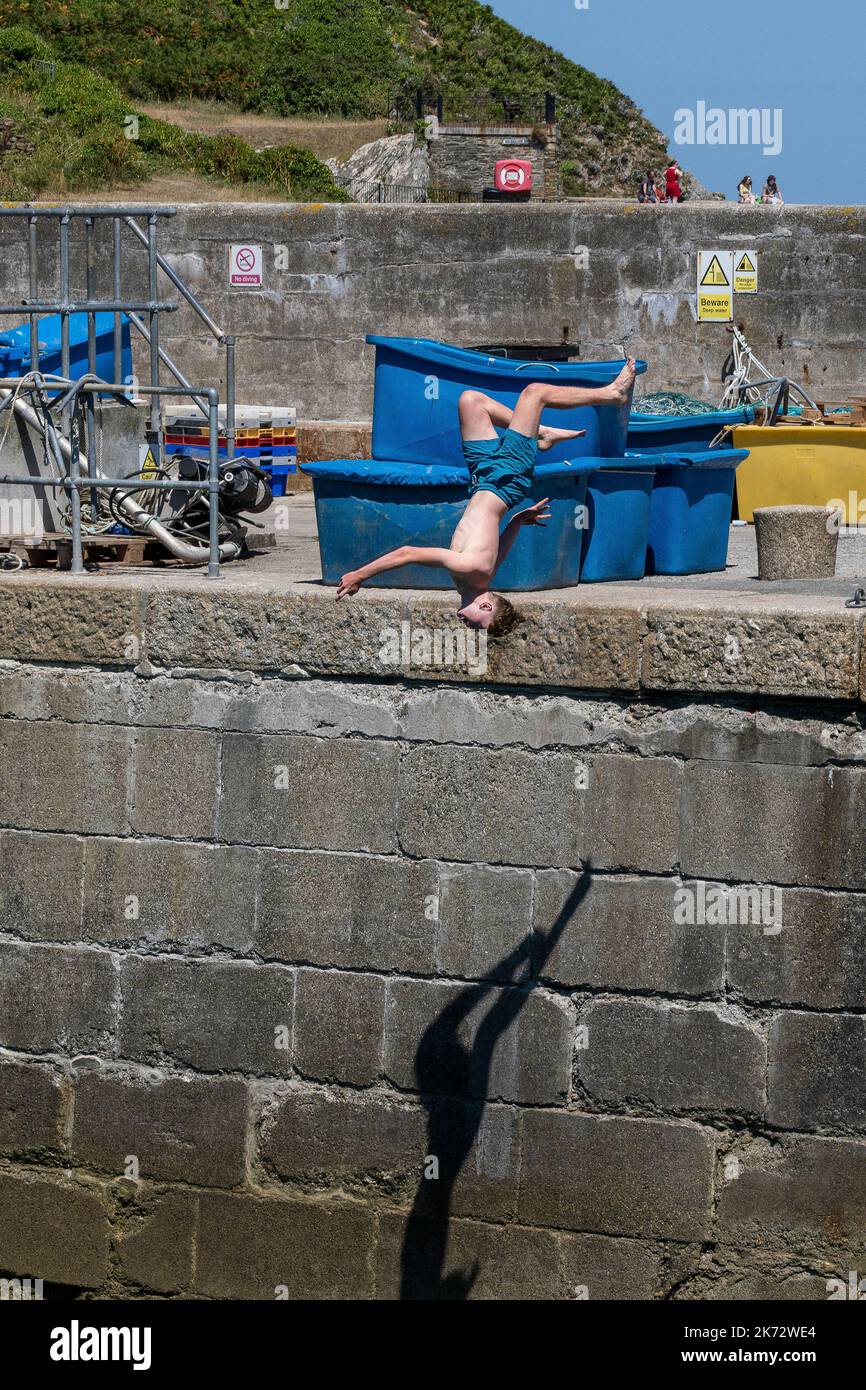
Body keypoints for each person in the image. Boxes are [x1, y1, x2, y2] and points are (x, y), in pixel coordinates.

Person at [336, 361, 639, 632]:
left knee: (471, 401)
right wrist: (360, 576)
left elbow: (502, 552)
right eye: (480, 626)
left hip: (483, 478)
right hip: (507, 481)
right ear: (486, 607)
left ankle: (542, 434)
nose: (470, 627)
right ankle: (612, 394)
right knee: (535, 393)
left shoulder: (477, 577)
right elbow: (407, 554)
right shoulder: (472, 569)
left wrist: (519, 521)